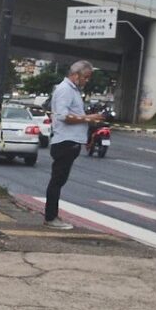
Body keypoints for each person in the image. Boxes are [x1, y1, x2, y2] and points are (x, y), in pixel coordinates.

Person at [44, 61, 108, 229]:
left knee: (58, 181)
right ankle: (51, 217)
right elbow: (63, 116)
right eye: (85, 77)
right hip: (65, 140)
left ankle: (52, 216)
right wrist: (89, 118)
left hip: (70, 140)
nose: (86, 81)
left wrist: (89, 117)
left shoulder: (72, 90)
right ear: (75, 74)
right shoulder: (65, 90)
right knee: (57, 181)